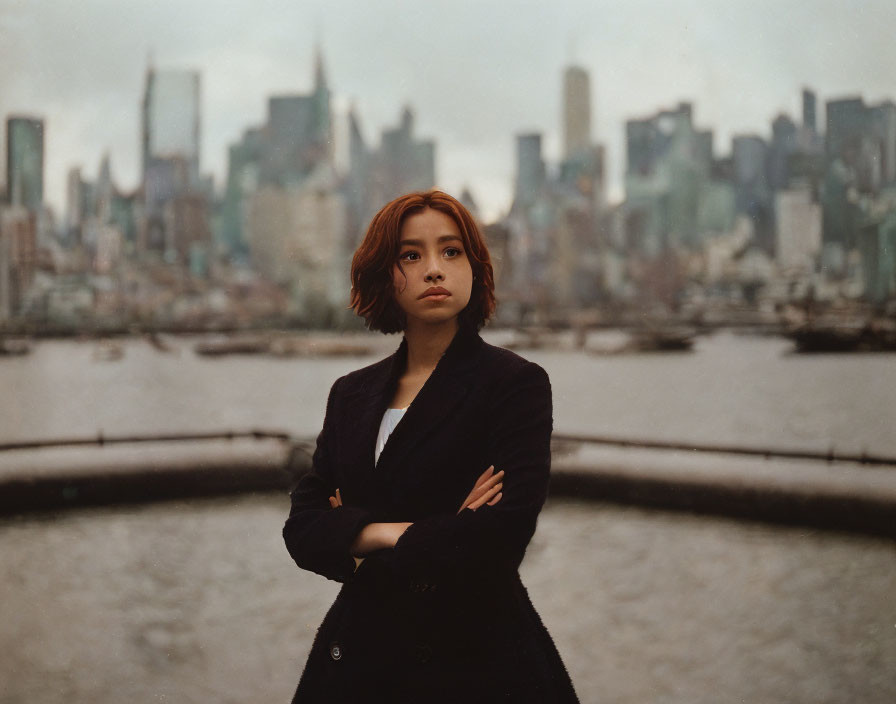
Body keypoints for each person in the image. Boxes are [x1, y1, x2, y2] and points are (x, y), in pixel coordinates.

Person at [283, 190, 579, 703]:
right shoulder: (350, 394)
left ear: (475, 267)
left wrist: (356, 533)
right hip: (359, 660)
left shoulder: (513, 384)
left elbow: (501, 538)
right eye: (411, 255)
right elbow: (304, 527)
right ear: (385, 274)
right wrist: (421, 530)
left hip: (475, 663)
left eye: (451, 251)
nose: (434, 270)